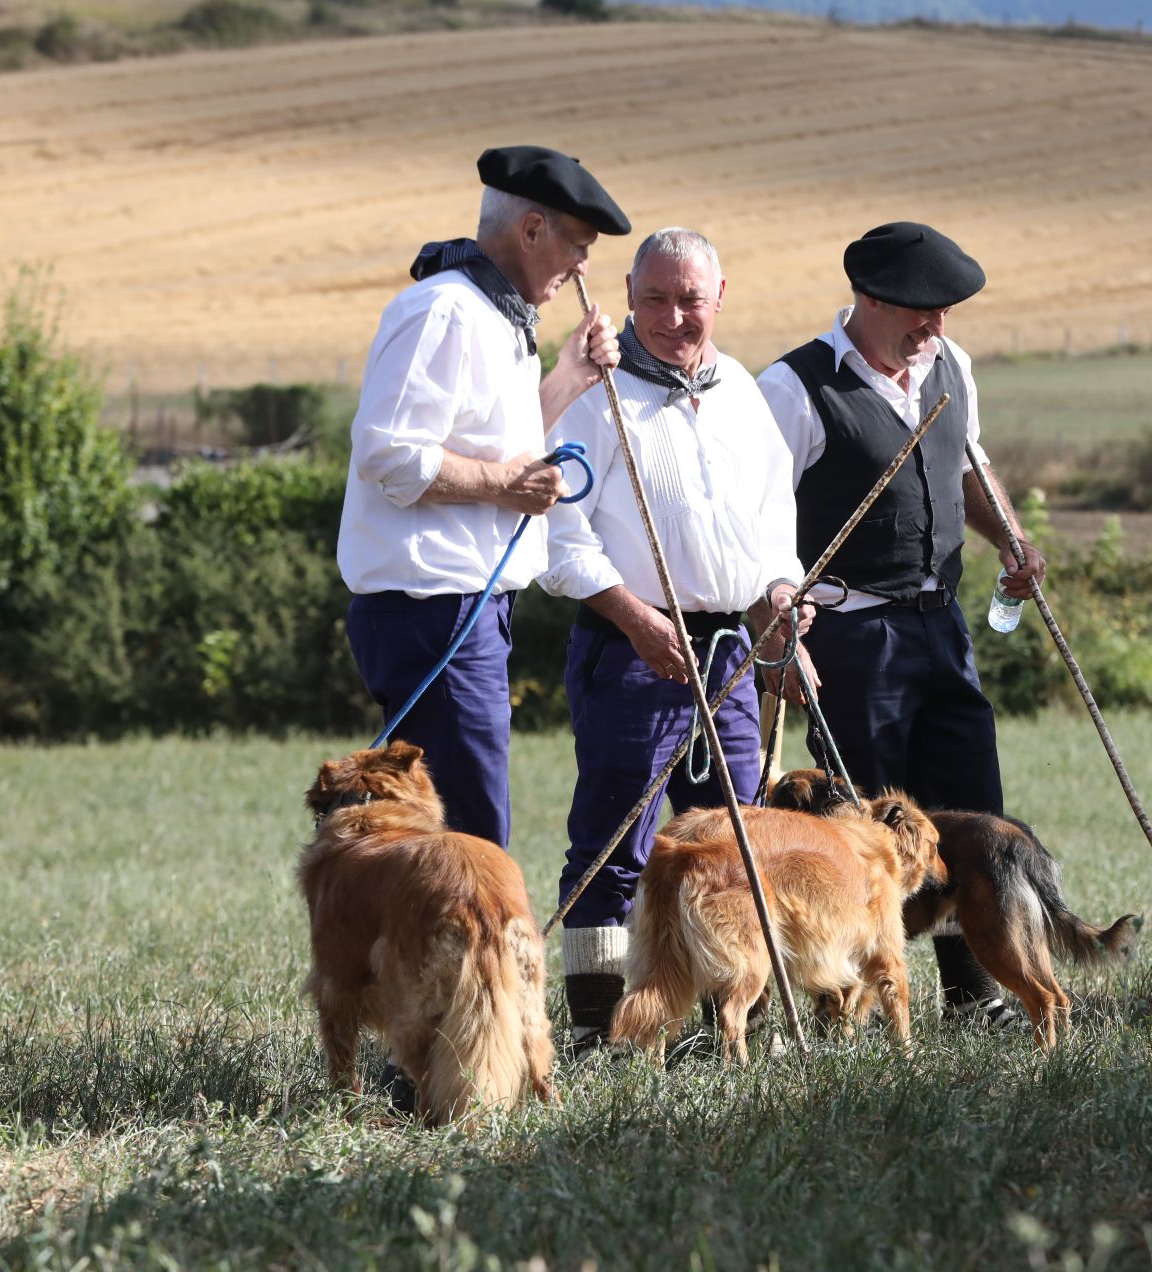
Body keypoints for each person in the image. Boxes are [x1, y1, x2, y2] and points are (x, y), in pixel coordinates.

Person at [756, 221, 1048, 1031]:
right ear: (871, 299)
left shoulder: (950, 368)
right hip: (850, 635)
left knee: (967, 808)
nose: (937, 328)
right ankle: (849, 1002)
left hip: (941, 625)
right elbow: (756, 523)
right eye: (923, 311)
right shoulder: (792, 388)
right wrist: (778, 634)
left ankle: (973, 994)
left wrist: (1012, 541)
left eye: (947, 312)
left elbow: (968, 468)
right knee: (863, 823)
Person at [540, 228, 808, 1055]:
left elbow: (773, 525)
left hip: (729, 652)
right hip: (630, 646)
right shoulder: (597, 391)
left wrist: (781, 606)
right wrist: (631, 615)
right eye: (654, 298)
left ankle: (728, 1023)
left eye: (690, 298)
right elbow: (558, 530)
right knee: (619, 838)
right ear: (627, 294)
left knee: (734, 837)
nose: (672, 316)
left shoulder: (741, 392)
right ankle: (595, 1032)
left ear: (720, 296)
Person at [338, 145, 628, 850]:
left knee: (456, 839)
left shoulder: (499, 321)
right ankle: (471, 962)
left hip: (463, 611)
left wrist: (571, 378)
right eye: (578, 244)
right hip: (431, 611)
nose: (584, 266)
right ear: (531, 231)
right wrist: (506, 487)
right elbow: (387, 451)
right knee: (467, 844)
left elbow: (499, 443)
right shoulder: (443, 312)